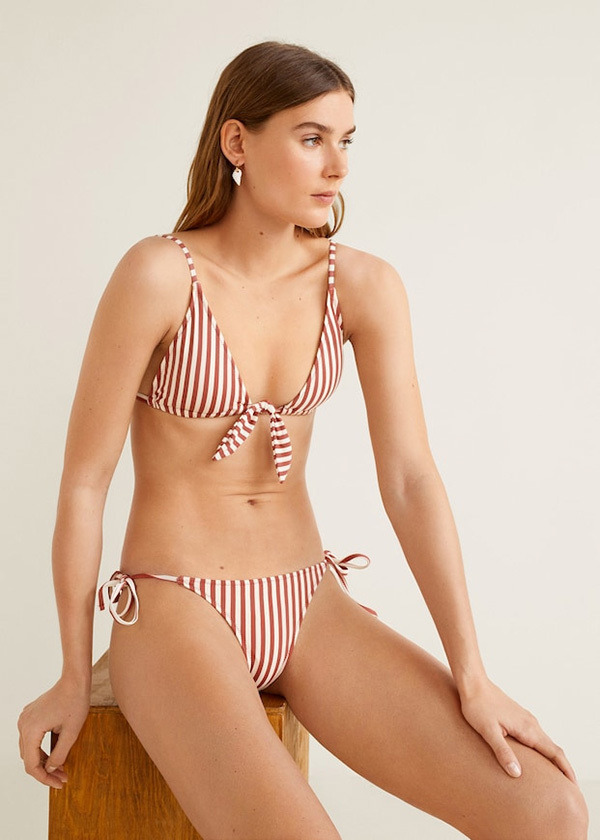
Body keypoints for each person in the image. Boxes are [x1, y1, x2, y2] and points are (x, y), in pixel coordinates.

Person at [18, 40, 588, 840]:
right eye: (312, 138)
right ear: (237, 141)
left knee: (550, 811)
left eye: (346, 140)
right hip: (176, 607)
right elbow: (85, 483)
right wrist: (72, 673)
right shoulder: (158, 275)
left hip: (307, 600)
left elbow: (411, 479)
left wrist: (473, 675)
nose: (338, 166)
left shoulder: (362, 285)